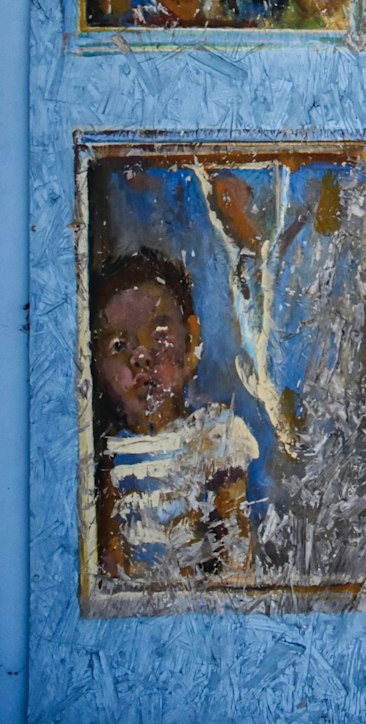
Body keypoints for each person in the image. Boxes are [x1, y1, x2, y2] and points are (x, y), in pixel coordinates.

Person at [90, 249, 259, 584]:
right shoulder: (108, 455)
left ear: (192, 341)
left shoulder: (214, 437)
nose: (140, 356)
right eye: (119, 346)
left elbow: (236, 551)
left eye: (159, 334)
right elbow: (109, 561)